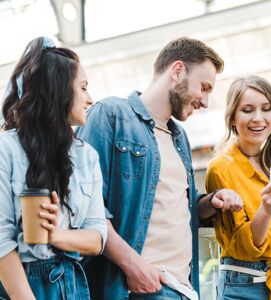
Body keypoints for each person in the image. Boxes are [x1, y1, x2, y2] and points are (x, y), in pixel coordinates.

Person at [76, 37, 243, 300]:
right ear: (177, 71)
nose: (206, 101)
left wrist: (210, 202)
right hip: (138, 287)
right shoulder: (110, 115)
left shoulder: (179, 137)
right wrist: (135, 266)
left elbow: (171, 205)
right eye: (204, 87)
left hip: (183, 288)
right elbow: (87, 207)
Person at [0, 37, 107, 299]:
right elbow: (1, 242)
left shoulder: (87, 156)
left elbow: (97, 238)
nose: (90, 99)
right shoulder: (7, 148)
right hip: (20, 286)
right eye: (83, 88)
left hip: (73, 283)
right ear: (58, 90)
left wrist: (56, 235)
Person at [205, 75, 271, 300]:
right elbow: (241, 246)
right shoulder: (221, 168)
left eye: (266, 109)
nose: (258, 118)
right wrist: (266, 209)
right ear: (232, 117)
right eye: (247, 110)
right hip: (245, 285)